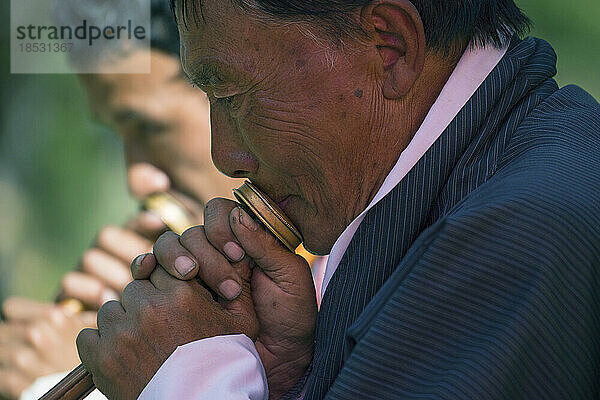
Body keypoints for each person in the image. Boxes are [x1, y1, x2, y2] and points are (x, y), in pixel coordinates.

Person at [76, 0, 600, 399]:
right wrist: (286, 374)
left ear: (389, 47)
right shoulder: (497, 187)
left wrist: (189, 379)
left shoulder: (521, 235)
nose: (226, 155)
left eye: (232, 95)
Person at [0, 1, 243, 398]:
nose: (139, 180)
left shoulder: (346, 272)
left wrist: (70, 383)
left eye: (149, 128)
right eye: (120, 138)